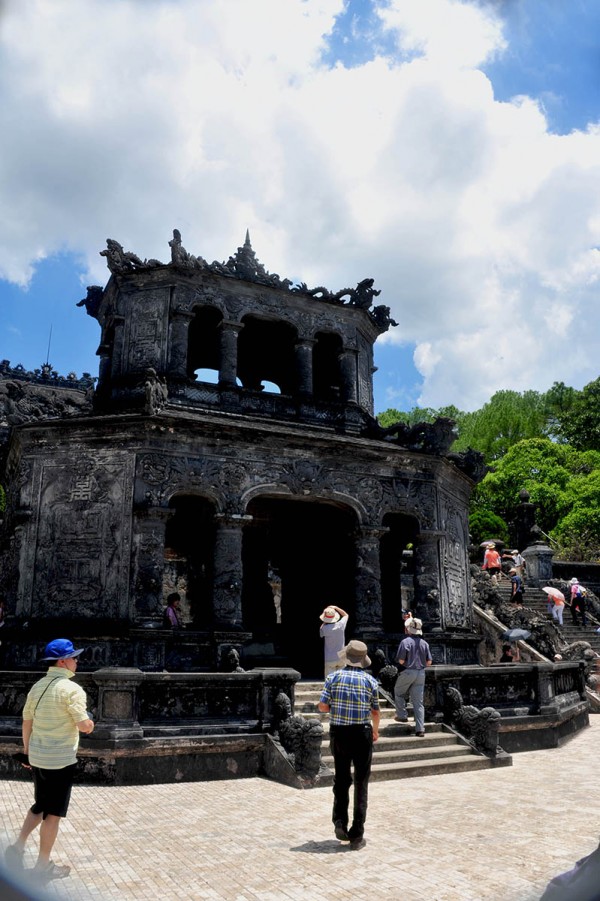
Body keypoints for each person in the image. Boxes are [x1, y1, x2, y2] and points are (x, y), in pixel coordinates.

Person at [4, 638, 94, 881]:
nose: (77, 662)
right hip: (60, 761)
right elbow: (83, 725)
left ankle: (18, 846)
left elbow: (27, 722)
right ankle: (42, 866)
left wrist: (27, 752)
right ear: (62, 661)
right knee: (52, 814)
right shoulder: (72, 690)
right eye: (74, 658)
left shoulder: (37, 686)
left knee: (40, 804)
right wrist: (90, 724)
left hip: (39, 757)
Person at [318, 640, 379, 851]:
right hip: (362, 732)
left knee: (342, 779)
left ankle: (339, 822)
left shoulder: (333, 678)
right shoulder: (370, 681)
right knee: (361, 782)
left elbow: (323, 706)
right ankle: (357, 834)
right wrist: (375, 731)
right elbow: (375, 711)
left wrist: (335, 707)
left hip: (340, 733)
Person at [394, 617, 432, 736]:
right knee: (418, 702)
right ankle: (420, 729)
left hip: (409, 671)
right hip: (421, 673)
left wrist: (409, 664)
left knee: (398, 692)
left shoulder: (405, 642)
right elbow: (429, 662)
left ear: (408, 629)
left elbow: (401, 661)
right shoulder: (425, 643)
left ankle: (402, 715)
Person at [319, 605, 349, 677]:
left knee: (330, 680)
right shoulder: (341, 625)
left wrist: (325, 620)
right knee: (341, 679)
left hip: (329, 658)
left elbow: (321, 631)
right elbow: (346, 615)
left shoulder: (324, 629)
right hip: (341, 657)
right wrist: (335, 607)